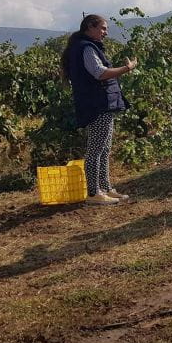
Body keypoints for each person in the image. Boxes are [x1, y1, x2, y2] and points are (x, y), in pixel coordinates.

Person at [60, 14, 138, 204]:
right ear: (90, 27)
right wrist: (126, 68)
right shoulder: (86, 48)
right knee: (96, 150)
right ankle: (94, 193)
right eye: (103, 28)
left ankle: (106, 188)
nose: (105, 32)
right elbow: (99, 73)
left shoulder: (86, 46)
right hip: (96, 105)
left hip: (102, 103)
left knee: (104, 148)